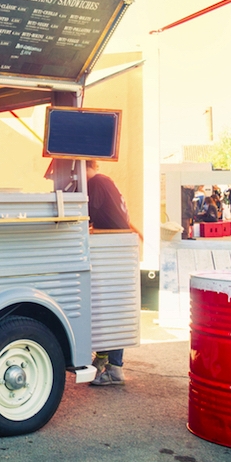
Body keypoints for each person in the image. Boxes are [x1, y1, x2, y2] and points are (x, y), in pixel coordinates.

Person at [86, 159, 143, 386]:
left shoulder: (96, 183)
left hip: (114, 248)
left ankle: (115, 368)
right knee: (107, 304)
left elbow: (85, 216)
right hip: (119, 245)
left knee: (111, 305)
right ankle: (102, 358)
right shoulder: (105, 180)